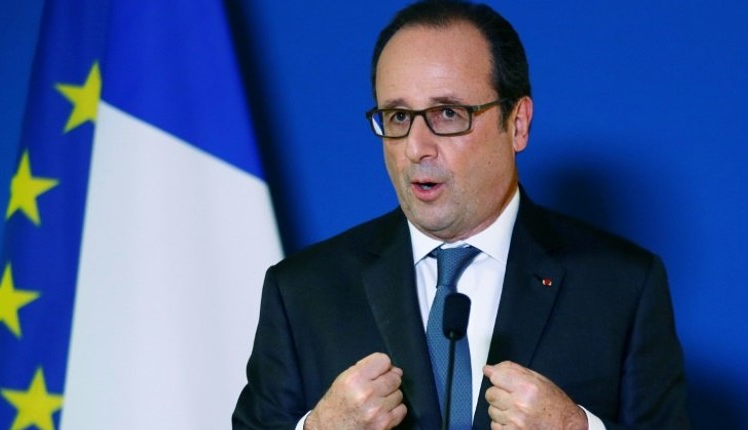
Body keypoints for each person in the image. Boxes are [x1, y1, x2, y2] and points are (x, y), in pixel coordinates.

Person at [233, 1, 689, 429]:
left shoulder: (623, 286)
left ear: (518, 123)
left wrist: (578, 428)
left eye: (447, 114)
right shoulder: (302, 292)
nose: (416, 148)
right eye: (396, 117)